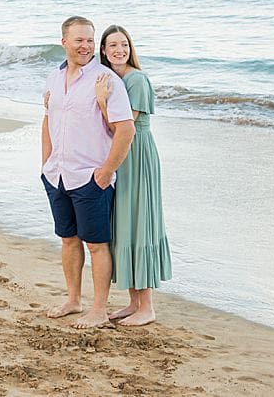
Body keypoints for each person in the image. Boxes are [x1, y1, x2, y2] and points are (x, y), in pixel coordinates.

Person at [41, 15, 136, 329]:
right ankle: (73, 299)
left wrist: (107, 171)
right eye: (79, 40)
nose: (85, 46)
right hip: (57, 174)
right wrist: (46, 163)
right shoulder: (54, 79)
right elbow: (48, 120)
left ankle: (98, 309)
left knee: (96, 245)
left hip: (90, 176)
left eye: (89, 40)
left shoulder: (107, 81)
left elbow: (126, 130)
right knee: (68, 239)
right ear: (64, 42)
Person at [94, 24, 172, 326]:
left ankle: (147, 306)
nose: (119, 50)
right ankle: (132, 301)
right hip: (120, 155)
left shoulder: (136, 79)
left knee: (139, 222)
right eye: (112, 45)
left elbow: (121, 126)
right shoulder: (112, 78)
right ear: (103, 50)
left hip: (136, 154)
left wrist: (102, 101)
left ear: (131, 48)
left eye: (124, 45)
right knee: (124, 223)